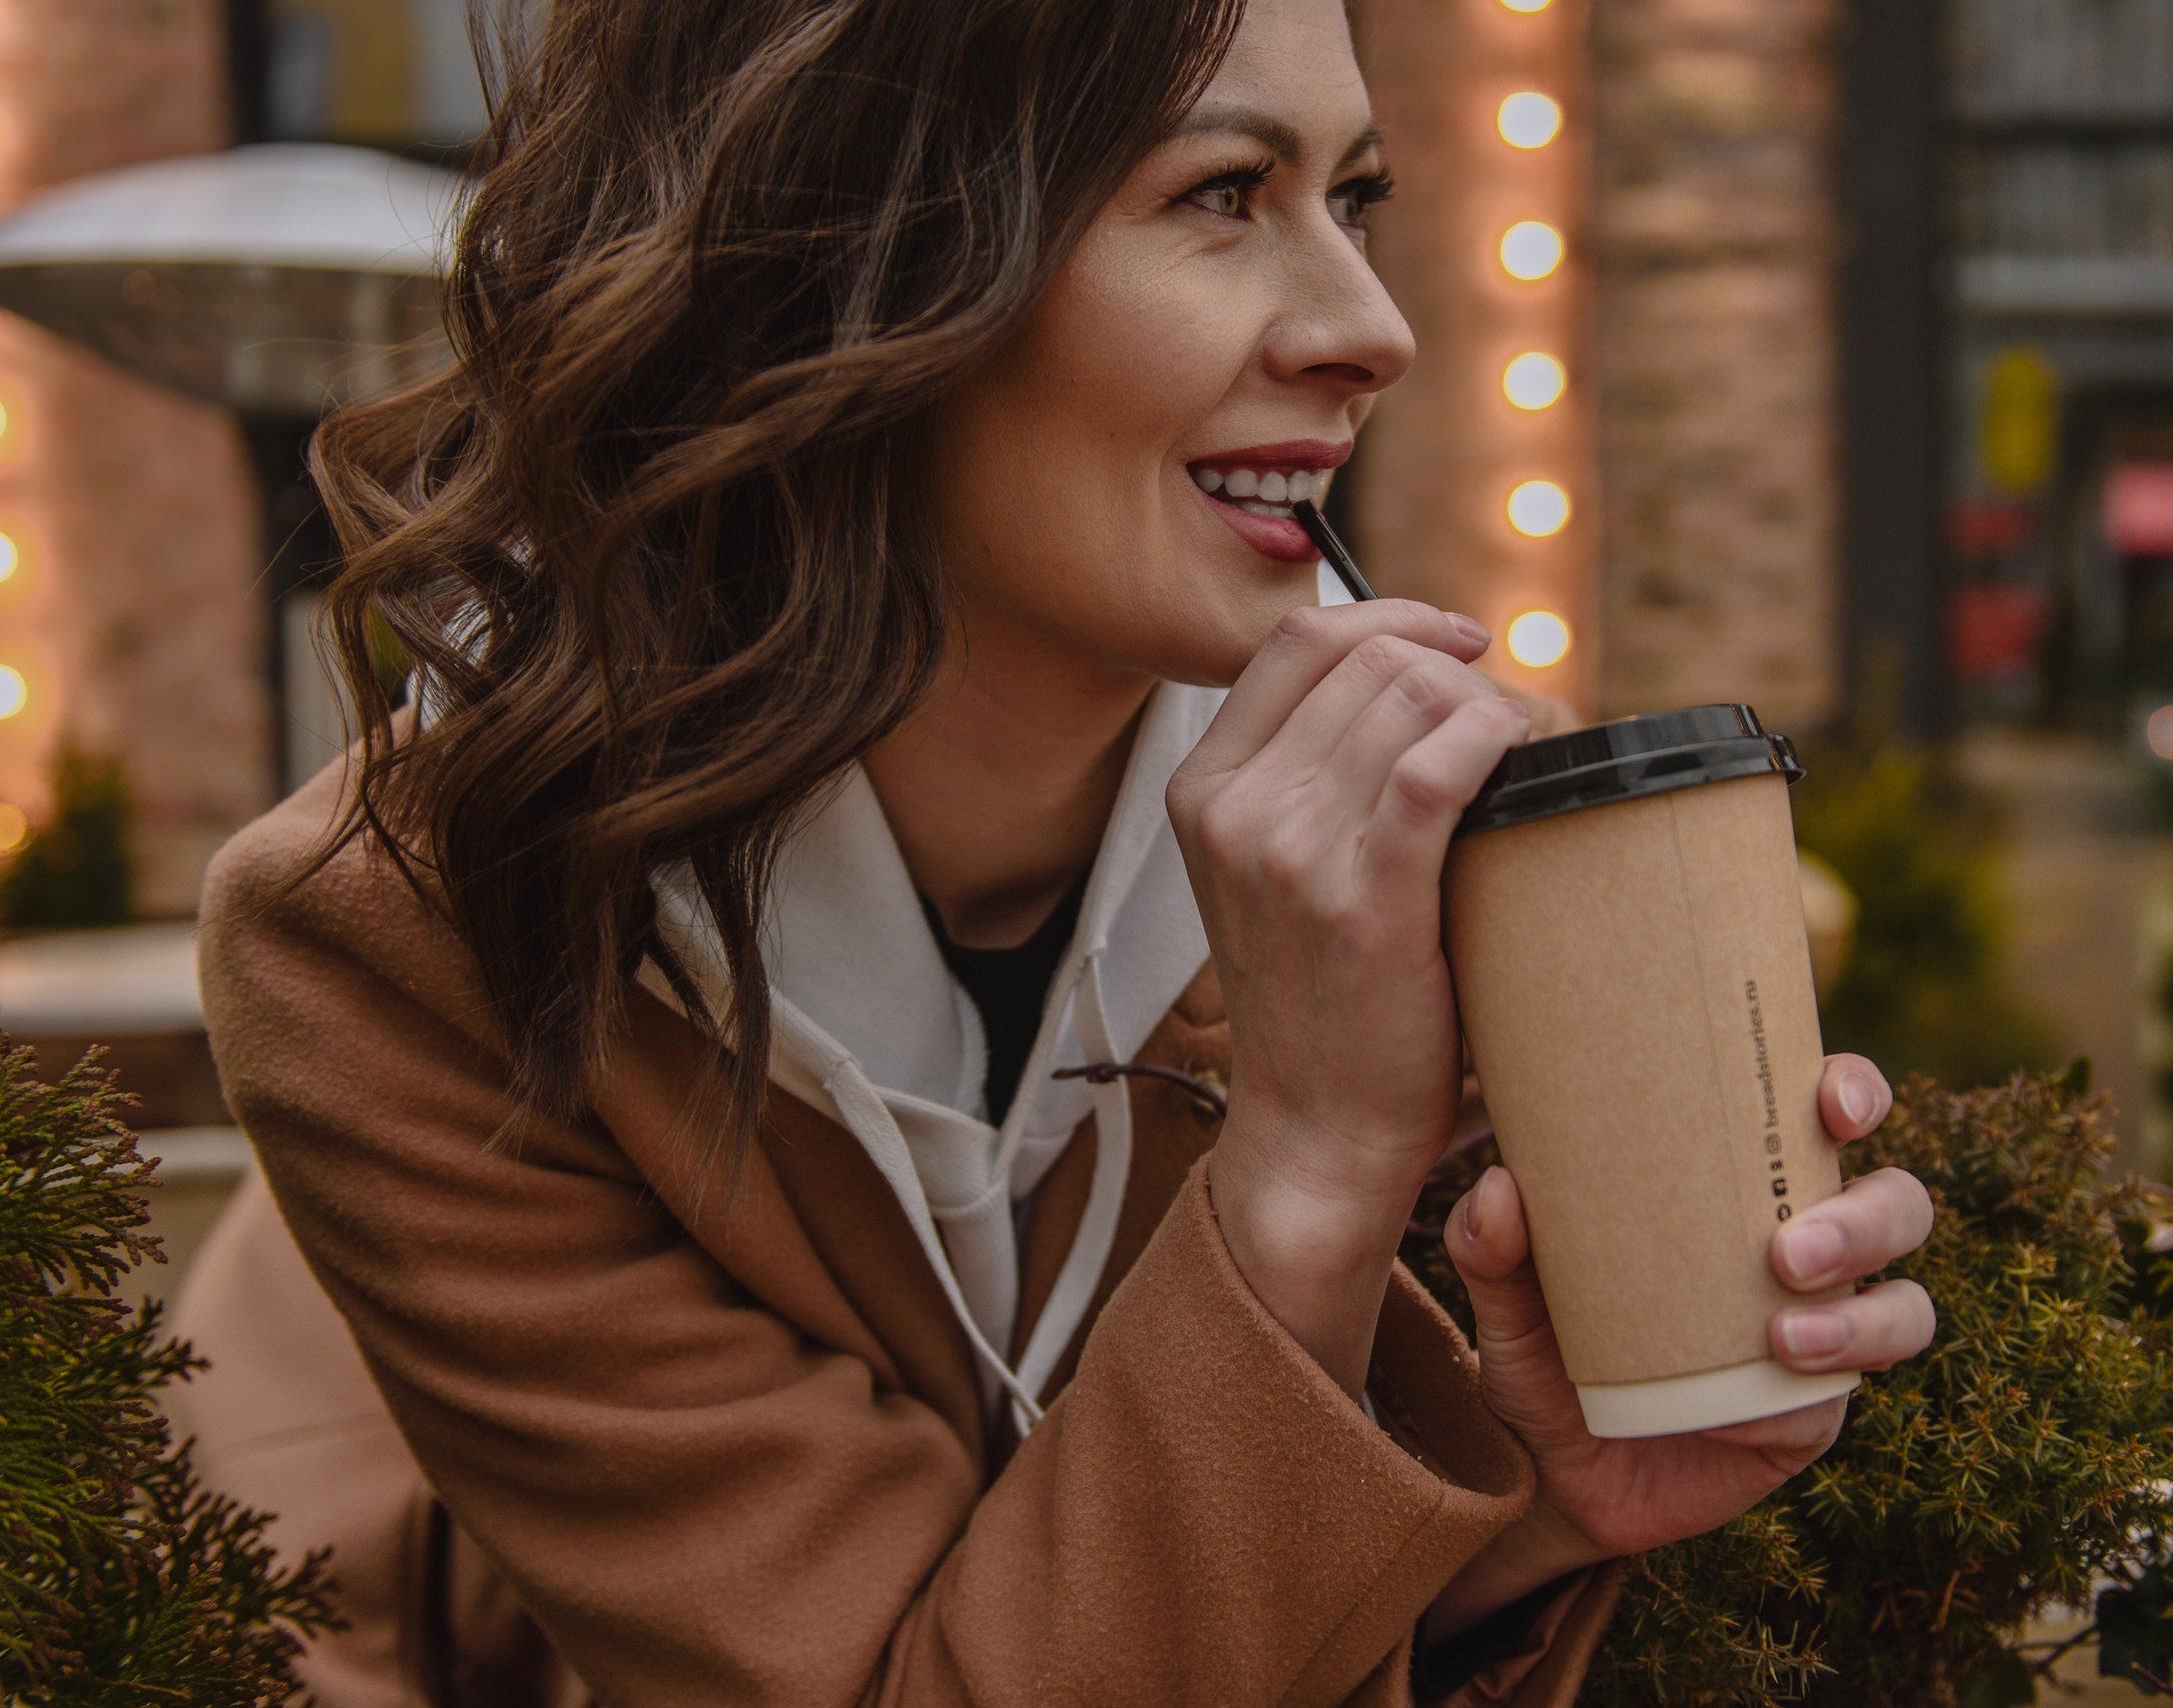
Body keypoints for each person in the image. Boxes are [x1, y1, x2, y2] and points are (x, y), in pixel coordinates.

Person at [173, 0, 1938, 1701]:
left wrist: (1545, 1503)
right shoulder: (400, 952)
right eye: (1223, 192)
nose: (1375, 326)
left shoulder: (1427, 826)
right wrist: (1308, 1174)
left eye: (1356, 196)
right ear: (841, 262)